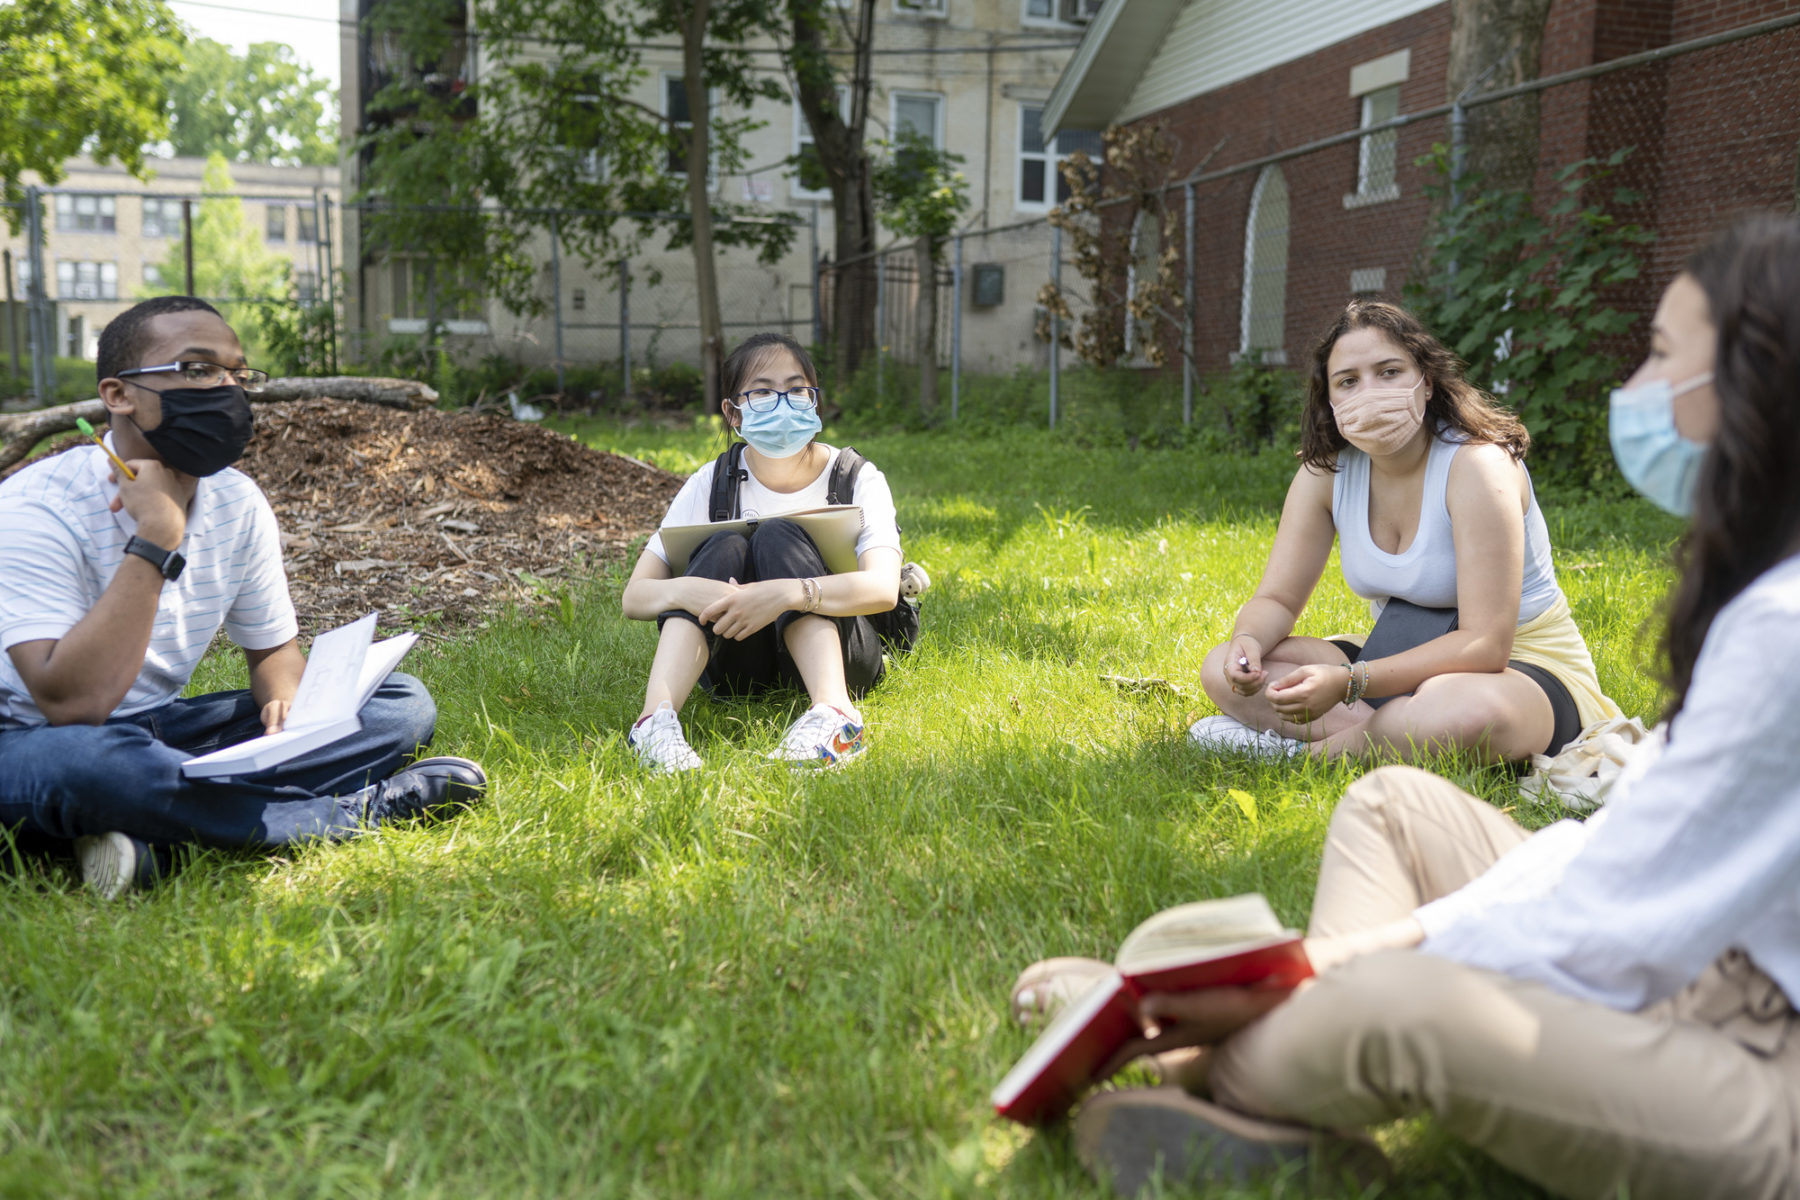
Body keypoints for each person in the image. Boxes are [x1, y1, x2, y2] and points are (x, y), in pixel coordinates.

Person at [1050, 214, 1800, 1198]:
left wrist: (1308, 972)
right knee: (1392, 805)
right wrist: (1336, 960)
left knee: (1406, 999)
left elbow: (1611, 919)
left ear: (1759, 382)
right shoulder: (1767, 601)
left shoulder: (1781, 629)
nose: (1632, 392)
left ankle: (1168, 1051)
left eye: (1660, 355)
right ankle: (1281, 1077)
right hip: (1687, 968)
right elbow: (1619, 859)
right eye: (1344, 380)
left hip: (1759, 1066)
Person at [0, 296, 486, 899]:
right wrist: (156, 538)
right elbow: (74, 705)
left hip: (157, 735)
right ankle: (347, 817)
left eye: (237, 374)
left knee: (400, 703)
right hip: (31, 739)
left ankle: (149, 836)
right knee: (96, 767)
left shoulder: (237, 500)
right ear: (118, 394)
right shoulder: (35, 509)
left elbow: (274, 656)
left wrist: (293, 713)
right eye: (199, 369)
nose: (227, 389)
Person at [1191, 301, 1618, 764]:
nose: (1369, 392)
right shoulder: (1327, 475)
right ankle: (1387, 738)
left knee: (1461, 714)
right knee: (1221, 667)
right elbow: (1276, 600)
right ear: (1329, 400)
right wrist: (1248, 642)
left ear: (1426, 381)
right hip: (1395, 657)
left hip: (1521, 668)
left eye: (1389, 371)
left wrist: (1351, 683)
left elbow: (1486, 644)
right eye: (1348, 381)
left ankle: (1308, 754)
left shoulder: (1477, 466)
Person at [621, 332, 906, 771]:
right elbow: (635, 596)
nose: (783, 402)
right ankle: (653, 724)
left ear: (815, 401)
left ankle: (836, 715)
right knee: (724, 543)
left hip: (844, 657)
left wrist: (791, 593)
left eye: (796, 389)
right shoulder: (712, 482)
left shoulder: (853, 476)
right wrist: (686, 591)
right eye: (762, 391)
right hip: (740, 666)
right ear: (733, 412)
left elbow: (883, 588)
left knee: (777, 535)